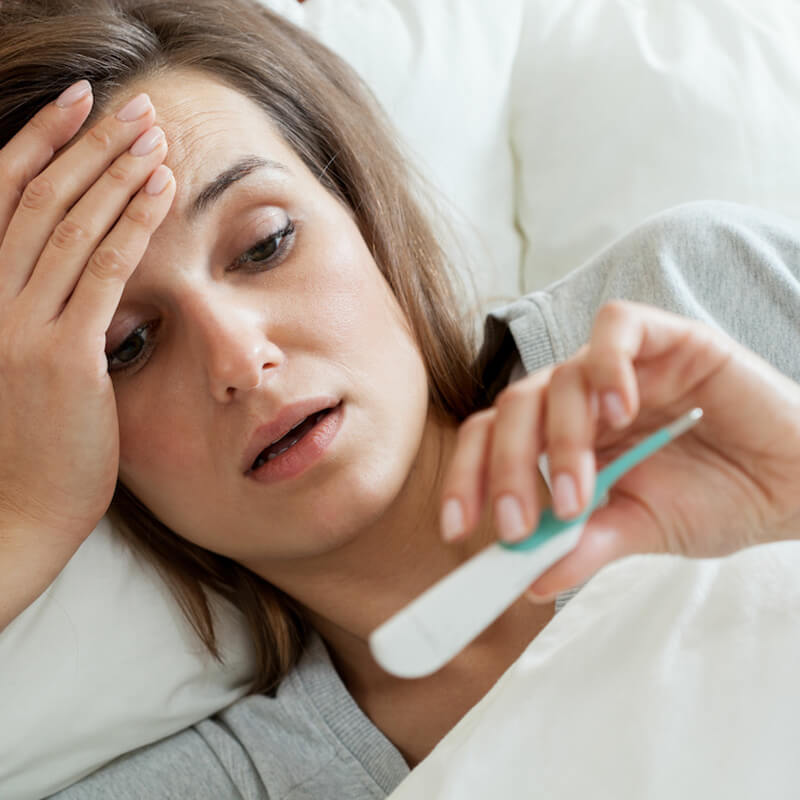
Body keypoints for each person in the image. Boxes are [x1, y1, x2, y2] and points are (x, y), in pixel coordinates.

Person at [1, 0, 800, 797]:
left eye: (265, 243)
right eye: (128, 346)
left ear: (362, 213)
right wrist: (24, 522)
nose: (240, 359)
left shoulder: (693, 299)